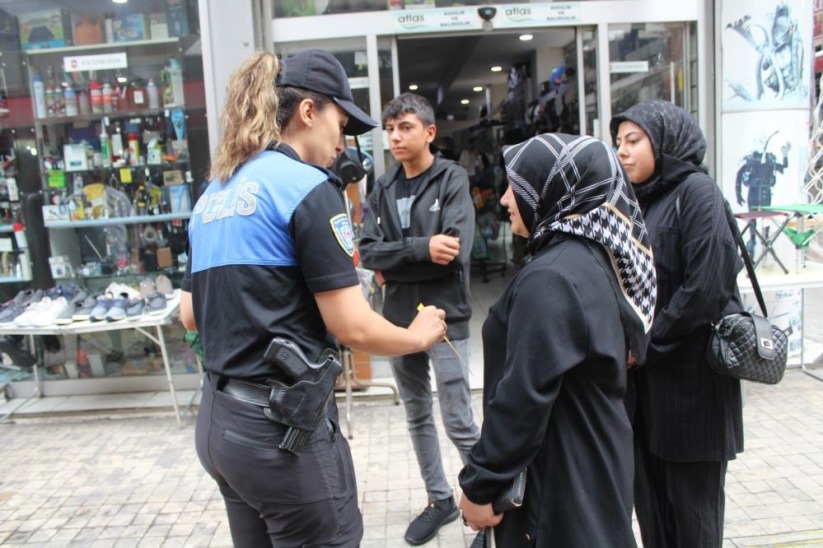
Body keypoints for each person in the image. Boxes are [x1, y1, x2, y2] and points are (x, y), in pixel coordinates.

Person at [179, 50, 447, 548]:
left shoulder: (213, 192)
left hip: (221, 427)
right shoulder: (308, 188)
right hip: (280, 437)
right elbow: (353, 327)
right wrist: (416, 336)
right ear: (308, 112)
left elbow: (190, 316)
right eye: (340, 123)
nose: (341, 142)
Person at [458, 133, 657, 547]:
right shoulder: (589, 259)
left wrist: (479, 485)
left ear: (553, 190)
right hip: (590, 468)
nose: (506, 200)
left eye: (519, 186)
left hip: (560, 486)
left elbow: (523, 397)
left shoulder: (551, 277)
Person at [611, 100, 745, 547]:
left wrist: (644, 342)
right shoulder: (640, 202)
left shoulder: (697, 192)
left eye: (633, 141)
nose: (623, 153)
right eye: (618, 143)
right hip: (647, 393)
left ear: (665, 142)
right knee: (653, 517)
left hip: (693, 393)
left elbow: (707, 287)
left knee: (693, 520)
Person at [358, 92, 481, 546]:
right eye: (390, 129)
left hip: (446, 316)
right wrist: (419, 249)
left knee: (459, 420)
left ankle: (489, 503)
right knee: (416, 415)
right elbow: (368, 251)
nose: (395, 136)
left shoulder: (451, 178)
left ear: (429, 132)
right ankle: (439, 500)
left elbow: (455, 253)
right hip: (397, 323)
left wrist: (399, 261)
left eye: (405, 127)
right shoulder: (383, 187)